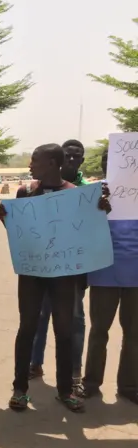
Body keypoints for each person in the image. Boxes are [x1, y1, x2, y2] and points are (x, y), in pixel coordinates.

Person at [0, 144, 110, 413]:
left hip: (63, 275)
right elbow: (22, 232)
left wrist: (101, 210)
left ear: (52, 163)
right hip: (32, 273)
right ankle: (20, 389)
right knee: (27, 329)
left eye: (35, 160)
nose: (31, 165)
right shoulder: (26, 192)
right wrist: (5, 219)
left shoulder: (75, 195)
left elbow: (87, 230)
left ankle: (65, 390)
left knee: (64, 330)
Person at [29, 139, 89, 388]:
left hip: (70, 270)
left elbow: (88, 231)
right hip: (41, 268)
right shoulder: (32, 189)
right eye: (69, 155)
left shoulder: (83, 192)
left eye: (77, 156)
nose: (72, 160)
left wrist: (100, 209)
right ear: (60, 158)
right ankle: (35, 364)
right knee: (39, 318)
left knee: (72, 321)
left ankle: (74, 373)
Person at [84, 150, 138, 404]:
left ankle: (128, 385)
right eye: (108, 161)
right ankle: (91, 383)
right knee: (99, 331)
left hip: (136, 274)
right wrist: (98, 211)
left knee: (134, 333)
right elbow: (78, 226)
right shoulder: (94, 192)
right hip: (104, 272)